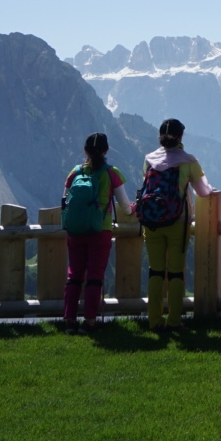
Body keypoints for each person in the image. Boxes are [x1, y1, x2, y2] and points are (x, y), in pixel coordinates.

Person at [134, 118, 215, 332]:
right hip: (177, 221)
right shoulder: (187, 160)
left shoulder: (149, 159)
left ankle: (154, 321)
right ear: (181, 137)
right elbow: (204, 191)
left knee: (155, 271)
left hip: (151, 221)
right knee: (176, 272)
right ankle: (174, 321)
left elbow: (145, 182)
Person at [60, 132, 131, 332]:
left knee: (74, 275)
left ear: (85, 151)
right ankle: (90, 321)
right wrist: (134, 209)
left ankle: (69, 321)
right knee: (94, 276)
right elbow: (125, 207)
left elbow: (65, 201)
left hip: (75, 230)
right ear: (106, 150)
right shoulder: (111, 172)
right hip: (101, 230)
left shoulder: (74, 172)